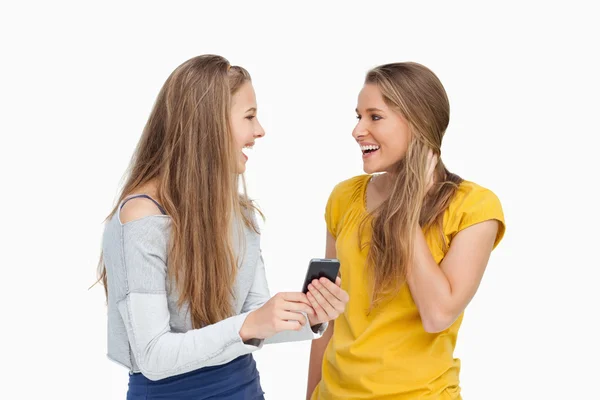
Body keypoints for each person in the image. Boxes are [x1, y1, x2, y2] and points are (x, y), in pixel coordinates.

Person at [97, 54, 349, 400]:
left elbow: (256, 319)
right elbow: (153, 355)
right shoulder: (141, 217)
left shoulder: (239, 213)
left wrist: (309, 316)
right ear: (209, 124)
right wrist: (252, 323)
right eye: (249, 116)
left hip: (243, 387)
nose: (259, 130)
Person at [307, 62, 506, 400]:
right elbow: (327, 318)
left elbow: (437, 314)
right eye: (358, 116)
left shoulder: (474, 208)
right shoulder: (344, 197)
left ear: (418, 122)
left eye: (375, 117)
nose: (358, 130)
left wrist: (407, 208)